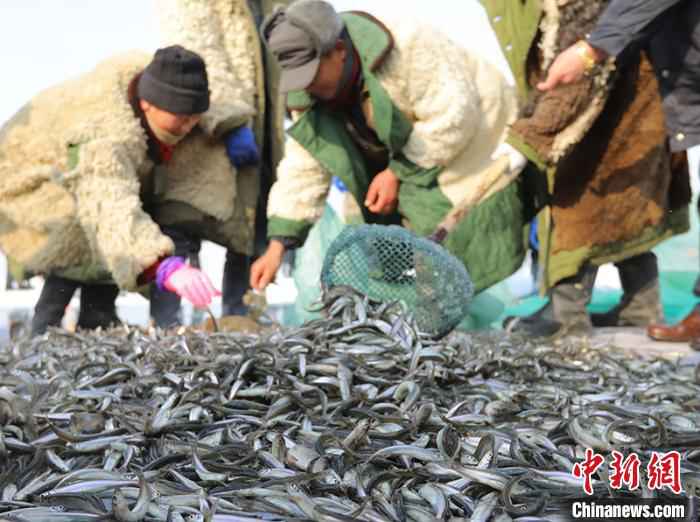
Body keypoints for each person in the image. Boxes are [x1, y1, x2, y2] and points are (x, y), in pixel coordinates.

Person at [249, 0, 523, 295]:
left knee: (440, 227)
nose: (308, 86)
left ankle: (442, 303)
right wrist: (277, 245)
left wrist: (396, 173)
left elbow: (452, 117)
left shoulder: (409, 44)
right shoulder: (308, 97)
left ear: (339, 51)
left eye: (313, 74)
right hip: (398, 156)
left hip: (471, 137)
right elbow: (303, 168)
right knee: (366, 231)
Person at [480, 0, 691, 338]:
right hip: (635, 85)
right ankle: (642, 305)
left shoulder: (585, 13)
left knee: (577, 201)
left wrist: (533, 137)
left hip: (624, 91)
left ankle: (566, 315)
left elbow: (576, 76)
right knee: (627, 209)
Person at [0, 46, 227, 335]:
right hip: (24, 187)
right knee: (88, 237)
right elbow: (108, 202)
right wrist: (160, 264)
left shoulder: (152, 96)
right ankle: (46, 328)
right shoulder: (103, 131)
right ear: (148, 103)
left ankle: (98, 317)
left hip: (75, 181)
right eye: (181, 116)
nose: (189, 124)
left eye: (195, 116)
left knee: (107, 241)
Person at [537, 0, 700, 345]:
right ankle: (654, 308)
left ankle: (571, 314)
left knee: (585, 201)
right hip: (668, 72)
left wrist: (590, 49)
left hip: (650, 70)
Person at [156, 0, 290, 319]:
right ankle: (165, 322)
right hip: (207, 125)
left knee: (251, 224)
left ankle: (241, 315)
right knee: (182, 218)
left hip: (263, 132)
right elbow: (197, 50)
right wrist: (229, 118)